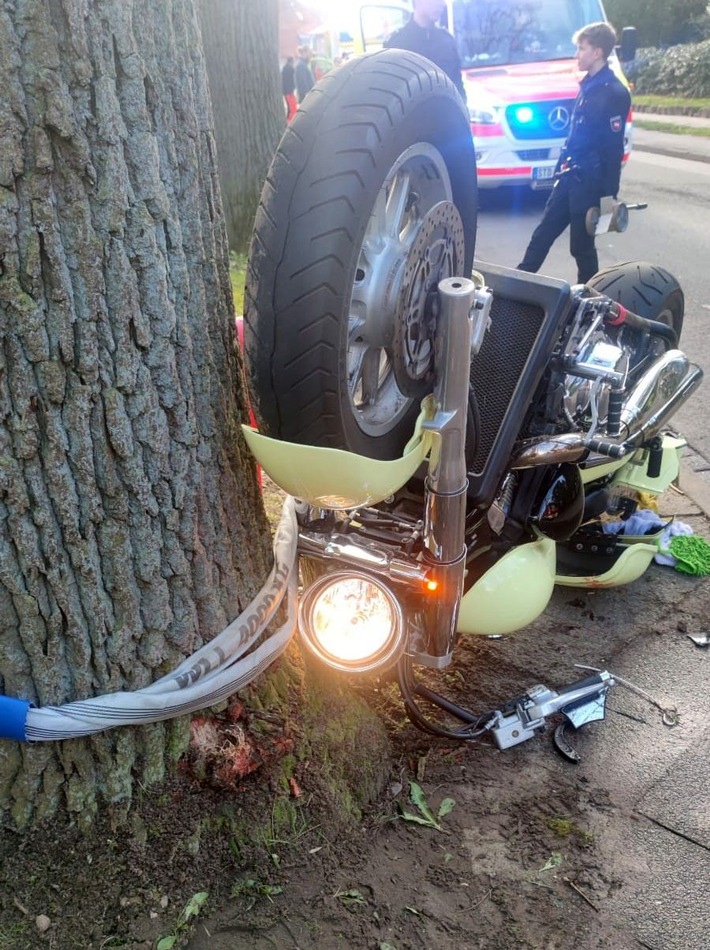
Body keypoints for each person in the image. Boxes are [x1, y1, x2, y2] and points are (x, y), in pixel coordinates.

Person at [516, 21, 631, 284]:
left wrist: (608, 194)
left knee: (581, 248)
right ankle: (516, 284)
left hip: (590, 182)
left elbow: (614, 147)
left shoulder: (614, 92)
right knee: (543, 234)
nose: (577, 54)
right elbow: (575, 135)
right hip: (570, 175)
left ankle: (589, 299)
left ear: (598, 52)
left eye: (581, 49)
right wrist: (560, 165)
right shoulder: (588, 86)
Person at [383, 0, 466, 103]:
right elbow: (391, 98)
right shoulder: (396, 45)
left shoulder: (447, 41)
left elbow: (458, 90)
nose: (442, 3)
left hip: (446, 117)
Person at [281, 56, 297, 123]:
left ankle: (289, 120)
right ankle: (290, 121)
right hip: (289, 91)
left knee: (290, 107)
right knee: (292, 108)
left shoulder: (284, 68)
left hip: (287, 91)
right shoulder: (290, 69)